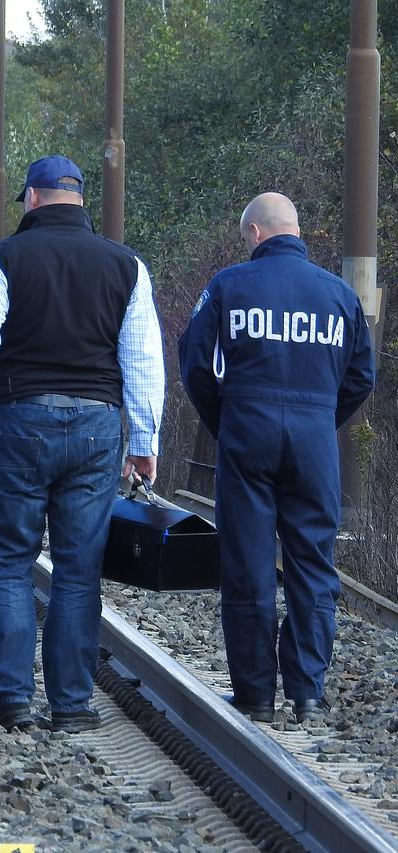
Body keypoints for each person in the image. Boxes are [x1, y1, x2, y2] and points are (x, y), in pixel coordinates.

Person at [0, 155, 164, 733]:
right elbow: (142, 360)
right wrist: (145, 440)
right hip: (96, 428)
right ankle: (72, 706)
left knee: (8, 561)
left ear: (32, 199)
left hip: (24, 420)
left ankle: (13, 701)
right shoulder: (127, 265)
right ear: (80, 199)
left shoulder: (5, 257)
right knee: (78, 569)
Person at [178, 192, 374, 724]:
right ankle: (308, 691)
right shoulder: (339, 295)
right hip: (314, 441)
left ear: (257, 234)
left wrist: (227, 422)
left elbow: (194, 363)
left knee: (249, 562)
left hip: (247, 431)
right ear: (295, 230)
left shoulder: (229, 286)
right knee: (313, 561)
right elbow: (362, 377)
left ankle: (255, 695)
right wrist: (318, 422)